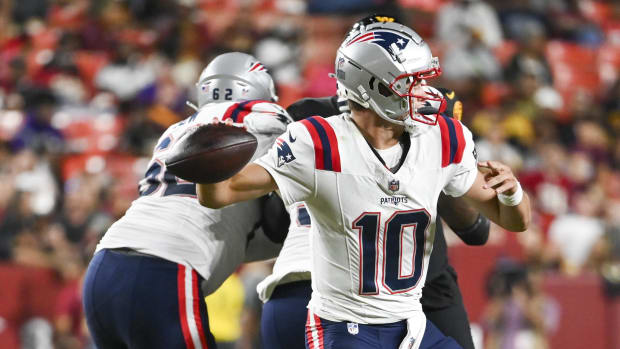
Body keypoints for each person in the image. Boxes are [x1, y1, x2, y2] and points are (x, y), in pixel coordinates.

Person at [197, 20, 530, 349]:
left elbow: (512, 221)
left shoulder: (442, 137)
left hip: (410, 322)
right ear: (375, 86)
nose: (425, 92)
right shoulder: (319, 141)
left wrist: (513, 193)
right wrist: (206, 156)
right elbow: (223, 192)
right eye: (411, 82)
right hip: (343, 324)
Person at [82, 52, 291, 349]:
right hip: (164, 268)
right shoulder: (263, 118)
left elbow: (230, 231)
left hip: (105, 265)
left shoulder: (176, 130)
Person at [258, 86, 490, 349]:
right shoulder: (420, 127)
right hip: (364, 294)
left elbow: (273, 225)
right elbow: (476, 230)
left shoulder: (309, 120)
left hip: (296, 290)